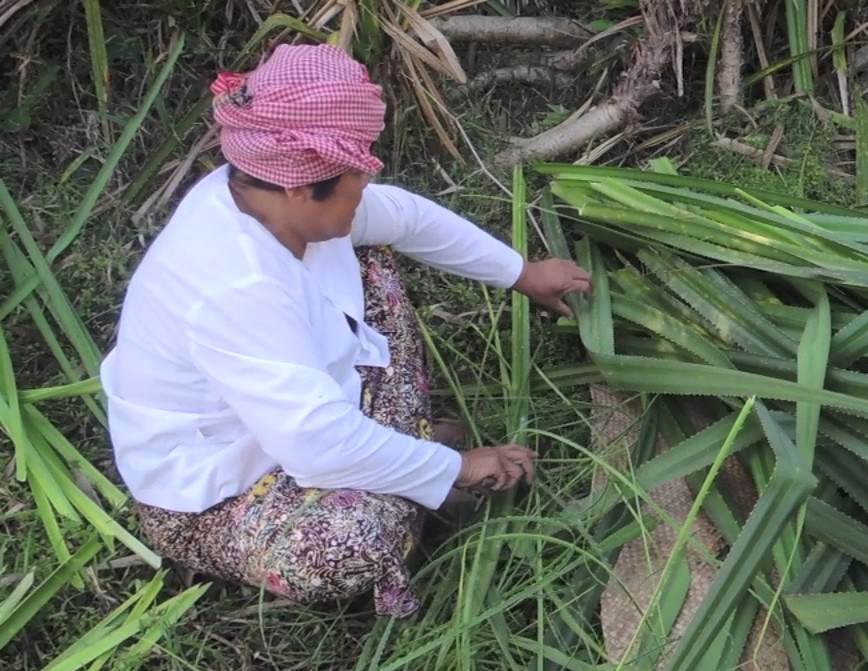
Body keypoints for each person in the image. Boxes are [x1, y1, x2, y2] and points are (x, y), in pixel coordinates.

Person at [99, 43, 591, 617]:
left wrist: (523, 274)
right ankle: (412, 481)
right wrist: (461, 467)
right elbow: (318, 447)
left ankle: (403, 461)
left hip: (299, 418)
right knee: (345, 546)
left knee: (370, 261)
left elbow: (405, 216)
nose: (366, 184)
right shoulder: (232, 284)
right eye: (357, 174)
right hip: (216, 492)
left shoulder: (264, 199)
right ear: (302, 188)